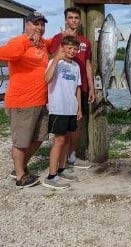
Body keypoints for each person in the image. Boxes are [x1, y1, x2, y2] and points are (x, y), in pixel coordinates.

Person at [0, 12, 51, 187]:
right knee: (21, 142)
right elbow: (3, 53)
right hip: (22, 102)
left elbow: (53, 43)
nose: (39, 28)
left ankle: (20, 166)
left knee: (40, 137)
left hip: (40, 100)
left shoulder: (43, 43)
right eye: (36, 24)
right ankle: (21, 177)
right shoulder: (18, 41)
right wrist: (26, 41)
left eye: (42, 24)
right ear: (26, 25)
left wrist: (65, 35)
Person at [49, 7, 94, 169]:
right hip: (63, 89)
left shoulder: (85, 41)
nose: (74, 20)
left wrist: (92, 88)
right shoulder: (58, 38)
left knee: (77, 124)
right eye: (71, 18)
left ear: (80, 21)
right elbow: (52, 59)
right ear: (66, 20)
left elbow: (88, 65)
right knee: (62, 131)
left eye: (76, 18)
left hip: (80, 87)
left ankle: (72, 157)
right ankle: (59, 162)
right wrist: (63, 41)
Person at [42, 36, 82, 189]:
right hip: (58, 108)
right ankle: (51, 176)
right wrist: (57, 58)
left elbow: (77, 87)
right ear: (62, 47)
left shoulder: (76, 66)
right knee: (58, 141)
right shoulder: (55, 62)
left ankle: (61, 169)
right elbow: (47, 79)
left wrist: (79, 108)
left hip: (71, 108)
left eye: (75, 49)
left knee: (66, 140)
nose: (72, 51)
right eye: (69, 48)